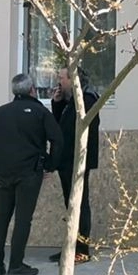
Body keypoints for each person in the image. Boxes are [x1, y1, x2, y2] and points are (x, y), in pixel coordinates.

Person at [0, 74, 62, 275]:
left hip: (3, 172)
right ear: (32, 90)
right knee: (23, 219)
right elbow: (57, 139)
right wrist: (50, 165)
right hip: (29, 172)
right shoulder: (40, 112)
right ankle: (16, 265)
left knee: (1, 218)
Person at [49, 67, 100, 263]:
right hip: (67, 160)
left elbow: (74, 129)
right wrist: (57, 104)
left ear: (73, 80)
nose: (59, 81)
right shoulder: (71, 101)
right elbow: (60, 126)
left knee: (79, 204)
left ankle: (82, 249)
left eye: (61, 78)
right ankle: (71, 247)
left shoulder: (87, 99)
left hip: (77, 160)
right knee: (70, 205)